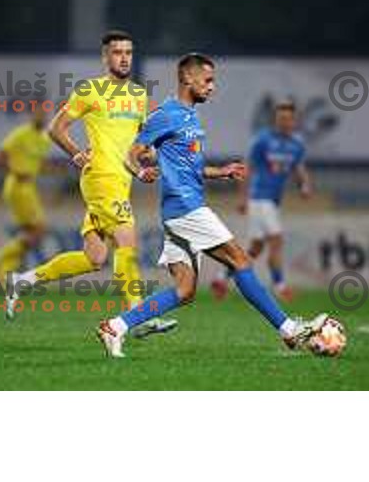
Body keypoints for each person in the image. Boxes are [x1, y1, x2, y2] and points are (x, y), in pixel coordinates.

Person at [96, 53, 327, 358]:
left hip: (181, 210)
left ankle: (115, 326)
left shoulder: (191, 116)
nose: (212, 87)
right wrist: (141, 171)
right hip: (186, 208)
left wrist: (221, 171)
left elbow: (188, 164)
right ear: (187, 79)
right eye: (207, 80)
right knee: (241, 260)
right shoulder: (167, 114)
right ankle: (289, 329)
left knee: (185, 290)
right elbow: (133, 152)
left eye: (213, 81)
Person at [7, 30, 176, 336]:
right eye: (117, 52)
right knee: (127, 240)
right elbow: (56, 129)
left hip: (121, 180)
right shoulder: (90, 91)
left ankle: (23, 280)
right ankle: (138, 318)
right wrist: (76, 153)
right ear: (105, 57)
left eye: (128, 52)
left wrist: (147, 159)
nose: (124, 58)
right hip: (100, 177)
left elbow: (140, 146)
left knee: (94, 258)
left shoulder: (139, 96)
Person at [212, 100, 312, 301]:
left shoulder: (297, 144)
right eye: (281, 118)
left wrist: (305, 185)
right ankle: (280, 286)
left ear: (294, 120)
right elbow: (247, 168)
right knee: (276, 240)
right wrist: (243, 198)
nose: (284, 122)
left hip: (273, 201)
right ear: (276, 119)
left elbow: (299, 168)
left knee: (256, 247)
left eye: (288, 118)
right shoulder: (263, 140)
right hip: (259, 198)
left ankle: (222, 278)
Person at [0, 109, 52, 282]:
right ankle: (0, 256)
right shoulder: (21, 134)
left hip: (29, 186)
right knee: (39, 230)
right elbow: (0, 156)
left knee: (29, 233)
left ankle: (3, 274)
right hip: (17, 185)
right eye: (38, 113)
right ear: (32, 115)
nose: (41, 117)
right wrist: (15, 171)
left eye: (44, 114)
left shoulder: (44, 140)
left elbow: (40, 163)